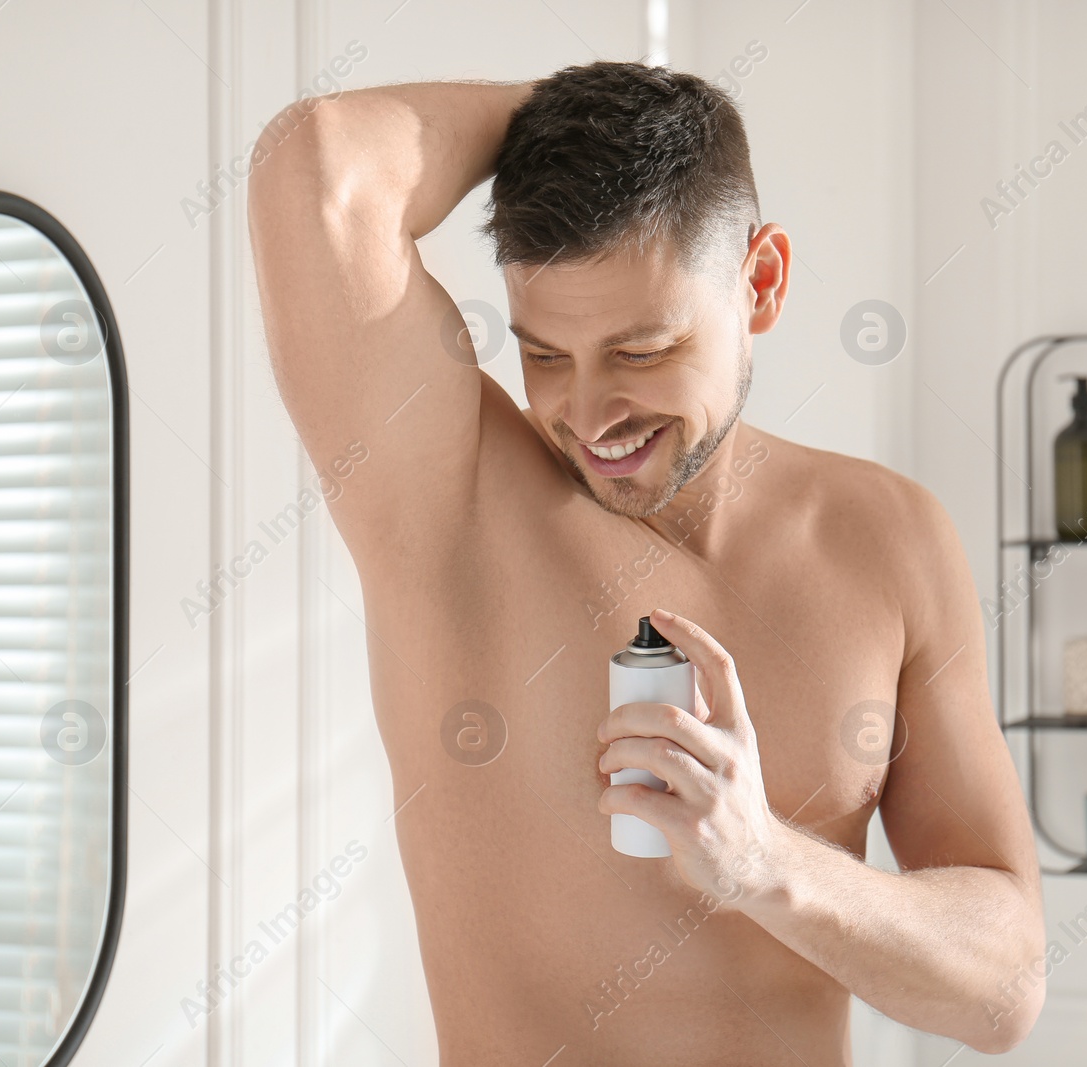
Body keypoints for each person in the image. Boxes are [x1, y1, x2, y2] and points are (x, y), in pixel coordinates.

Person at [247, 59, 1044, 1064]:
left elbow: (1003, 992)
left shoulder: (886, 538)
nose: (588, 415)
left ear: (760, 282)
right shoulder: (448, 499)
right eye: (544, 353)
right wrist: (581, 119)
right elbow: (312, 166)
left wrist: (762, 860)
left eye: (638, 352)